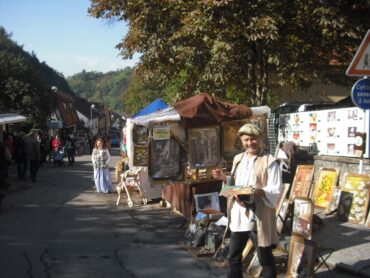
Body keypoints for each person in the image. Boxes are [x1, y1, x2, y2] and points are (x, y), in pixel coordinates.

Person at [212, 123, 282, 278]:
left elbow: (275, 189)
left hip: (257, 216)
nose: (250, 143)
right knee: (233, 257)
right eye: (246, 140)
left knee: (265, 258)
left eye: (253, 139)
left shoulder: (269, 161)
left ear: (260, 139)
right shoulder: (238, 158)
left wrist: (256, 192)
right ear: (241, 141)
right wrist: (224, 178)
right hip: (238, 215)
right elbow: (235, 183)